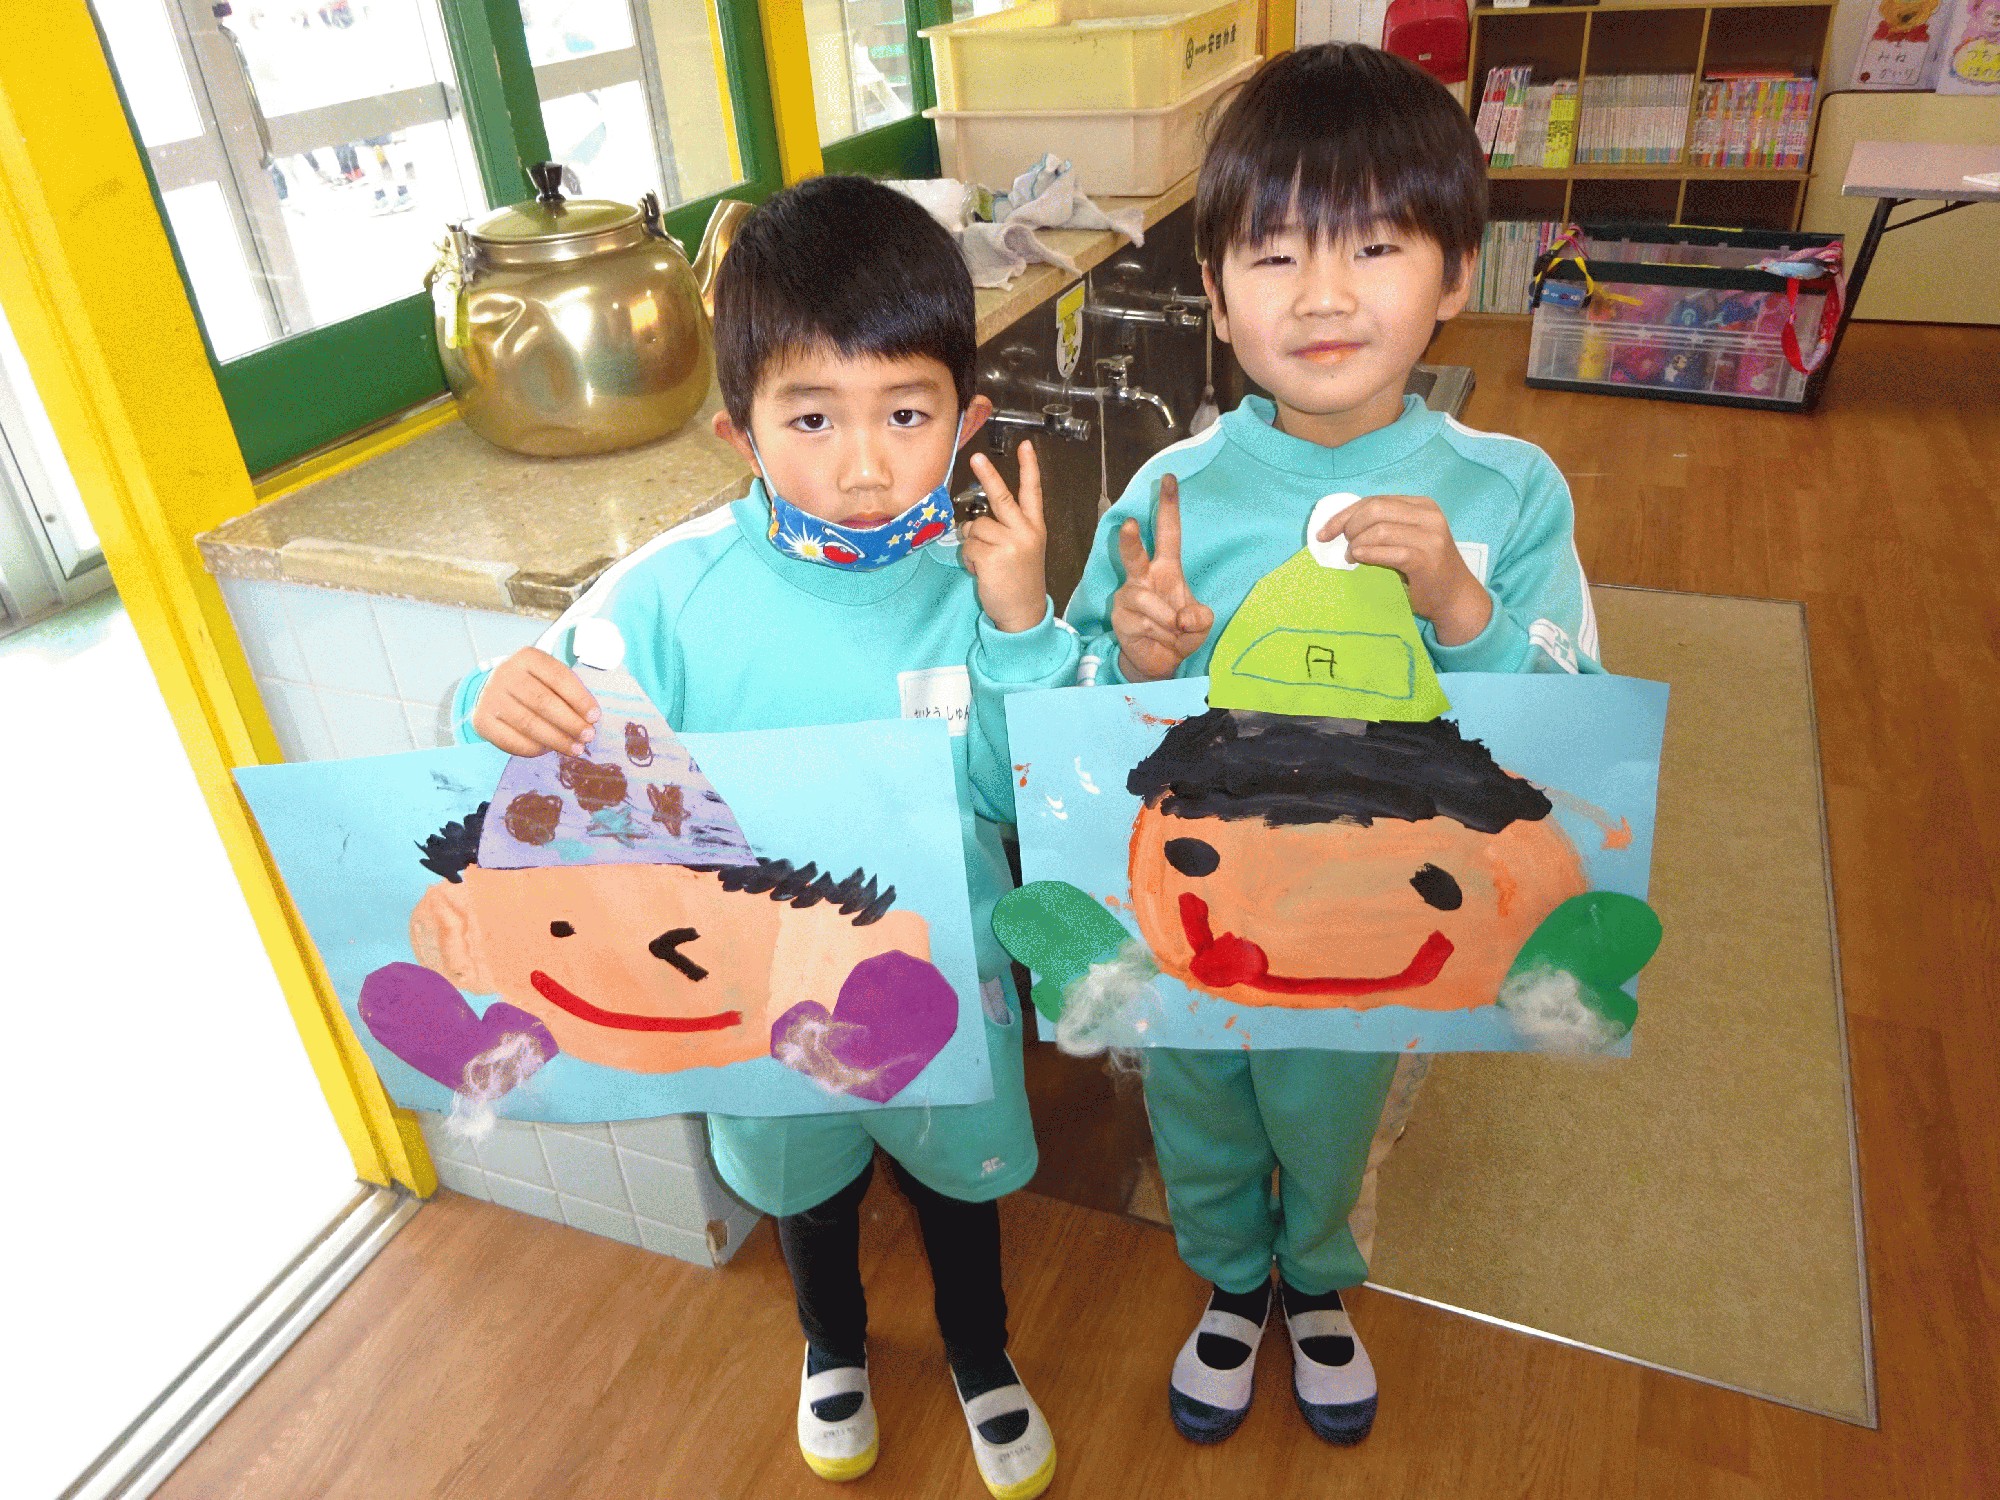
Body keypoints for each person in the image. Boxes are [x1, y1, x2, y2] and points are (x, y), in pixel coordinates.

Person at [455, 175, 1074, 1499]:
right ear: (738, 431)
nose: (864, 466)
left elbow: (1026, 794)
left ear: (965, 417)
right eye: (811, 417)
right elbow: (529, 724)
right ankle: (831, 1346)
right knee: (805, 1192)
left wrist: (1024, 627)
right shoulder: (668, 598)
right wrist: (485, 699)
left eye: (905, 413)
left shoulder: (983, 579)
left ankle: (982, 1355)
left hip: (942, 980)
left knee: (959, 1190)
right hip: (746, 995)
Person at [1064, 43, 1604, 1449]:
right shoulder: (1171, 490)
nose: (1321, 294)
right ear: (1214, 294)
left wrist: (1466, 612)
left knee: (1337, 1110)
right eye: (1273, 254)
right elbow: (1068, 723)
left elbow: (1579, 726)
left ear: (1457, 273)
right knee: (1200, 1101)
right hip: (1205, 908)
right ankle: (1228, 1281)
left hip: (1384, 915)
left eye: (1373, 246)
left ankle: (1316, 1282)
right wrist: (1134, 660)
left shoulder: (1510, 492)